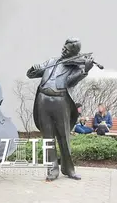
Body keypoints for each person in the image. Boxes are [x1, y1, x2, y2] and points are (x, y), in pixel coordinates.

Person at [27, 38, 94, 181]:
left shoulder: (74, 66)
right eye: (64, 47)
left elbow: (71, 81)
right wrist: (33, 69)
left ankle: (68, 169)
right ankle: (52, 170)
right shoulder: (51, 61)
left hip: (60, 101)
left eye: (68, 49)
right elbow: (32, 74)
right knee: (48, 137)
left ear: (75, 52)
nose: (64, 50)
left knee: (64, 136)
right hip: (43, 100)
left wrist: (84, 70)